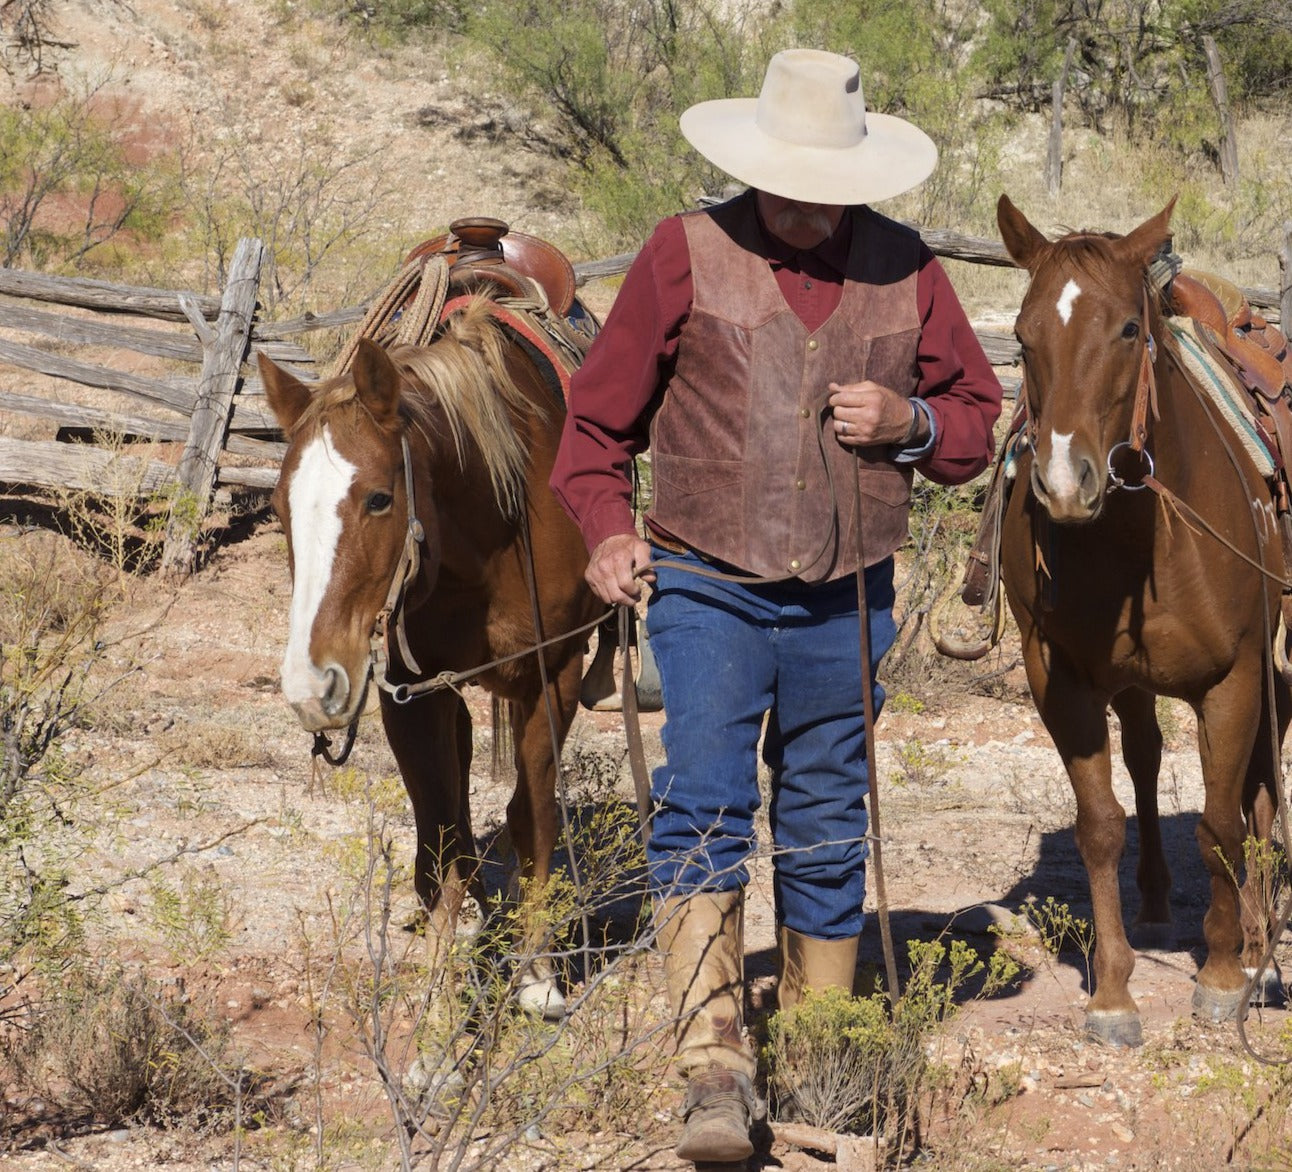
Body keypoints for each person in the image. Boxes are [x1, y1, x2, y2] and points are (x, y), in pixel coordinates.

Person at [550, 48, 1002, 1165]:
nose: (804, 207)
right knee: (702, 800)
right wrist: (607, 532)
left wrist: (909, 419)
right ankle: (712, 1059)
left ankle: (817, 1050)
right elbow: (593, 428)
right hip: (704, 580)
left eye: (824, 189)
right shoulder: (682, 251)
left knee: (825, 811)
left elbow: (977, 420)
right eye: (786, 184)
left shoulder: (909, 268)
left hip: (850, 597)